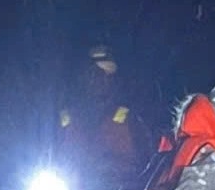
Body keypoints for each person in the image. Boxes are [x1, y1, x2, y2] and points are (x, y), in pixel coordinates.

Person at [58, 43, 151, 182]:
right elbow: (46, 156)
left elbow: (147, 162)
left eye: (108, 75)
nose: (101, 80)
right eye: (96, 73)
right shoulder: (64, 118)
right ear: (83, 76)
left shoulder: (130, 120)